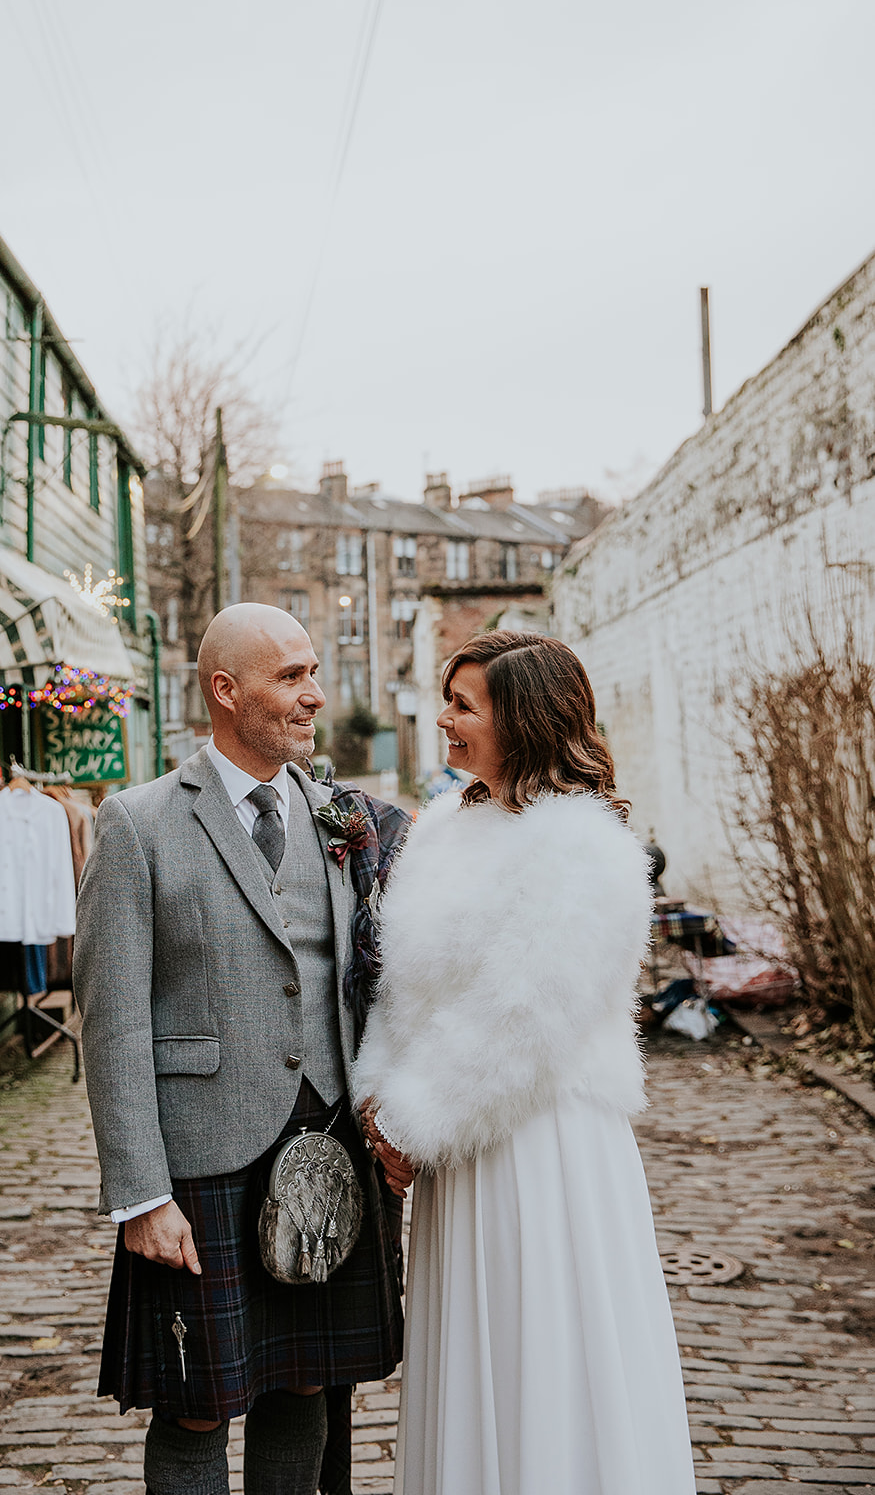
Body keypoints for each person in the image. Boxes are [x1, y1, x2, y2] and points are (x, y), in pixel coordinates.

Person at [73, 603, 405, 1495]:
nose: (314, 696)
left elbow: (367, 981)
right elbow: (110, 1022)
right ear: (225, 691)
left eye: (312, 674)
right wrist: (140, 1193)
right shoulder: (137, 824)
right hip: (201, 1156)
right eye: (290, 677)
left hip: (329, 1145)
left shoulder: (340, 816)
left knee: (305, 1379)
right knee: (195, 1401)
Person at [355, 630, 696, 1495]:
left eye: (464, 705)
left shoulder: (582, 849)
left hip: (540, 1148)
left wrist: (410, 1121)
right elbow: (405, 986)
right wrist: (382, 1103)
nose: (444, 719)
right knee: (472, 1359)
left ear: (525, 720)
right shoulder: (443, 828)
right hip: (453, 1156)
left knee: (542, 1348)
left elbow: (524, 1020)